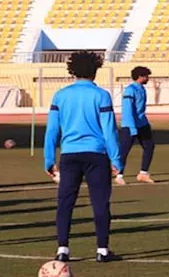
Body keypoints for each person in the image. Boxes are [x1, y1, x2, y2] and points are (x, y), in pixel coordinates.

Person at [44, 51, 122, 263]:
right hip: (96, 155)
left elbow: (52, 130)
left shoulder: (60, 95)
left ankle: (62, 249)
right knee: (100, 203)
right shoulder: (101, 95)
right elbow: (109, 130)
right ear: (95, 71)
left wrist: (49, 159)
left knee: (65, 203)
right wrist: (116, 159)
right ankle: (102, 250)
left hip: (69, 155)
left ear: (73, 71)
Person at [117, 66, 155, 185]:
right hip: (130, 125)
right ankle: (119, 175)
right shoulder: (130, 90)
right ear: (140, 77)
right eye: (146, 76)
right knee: (124, 151)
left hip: (142, 123)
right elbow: (127, 109)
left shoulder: (142, 89)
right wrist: (132, 127)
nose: (148, 78)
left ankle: (143, 173)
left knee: (149, 146)